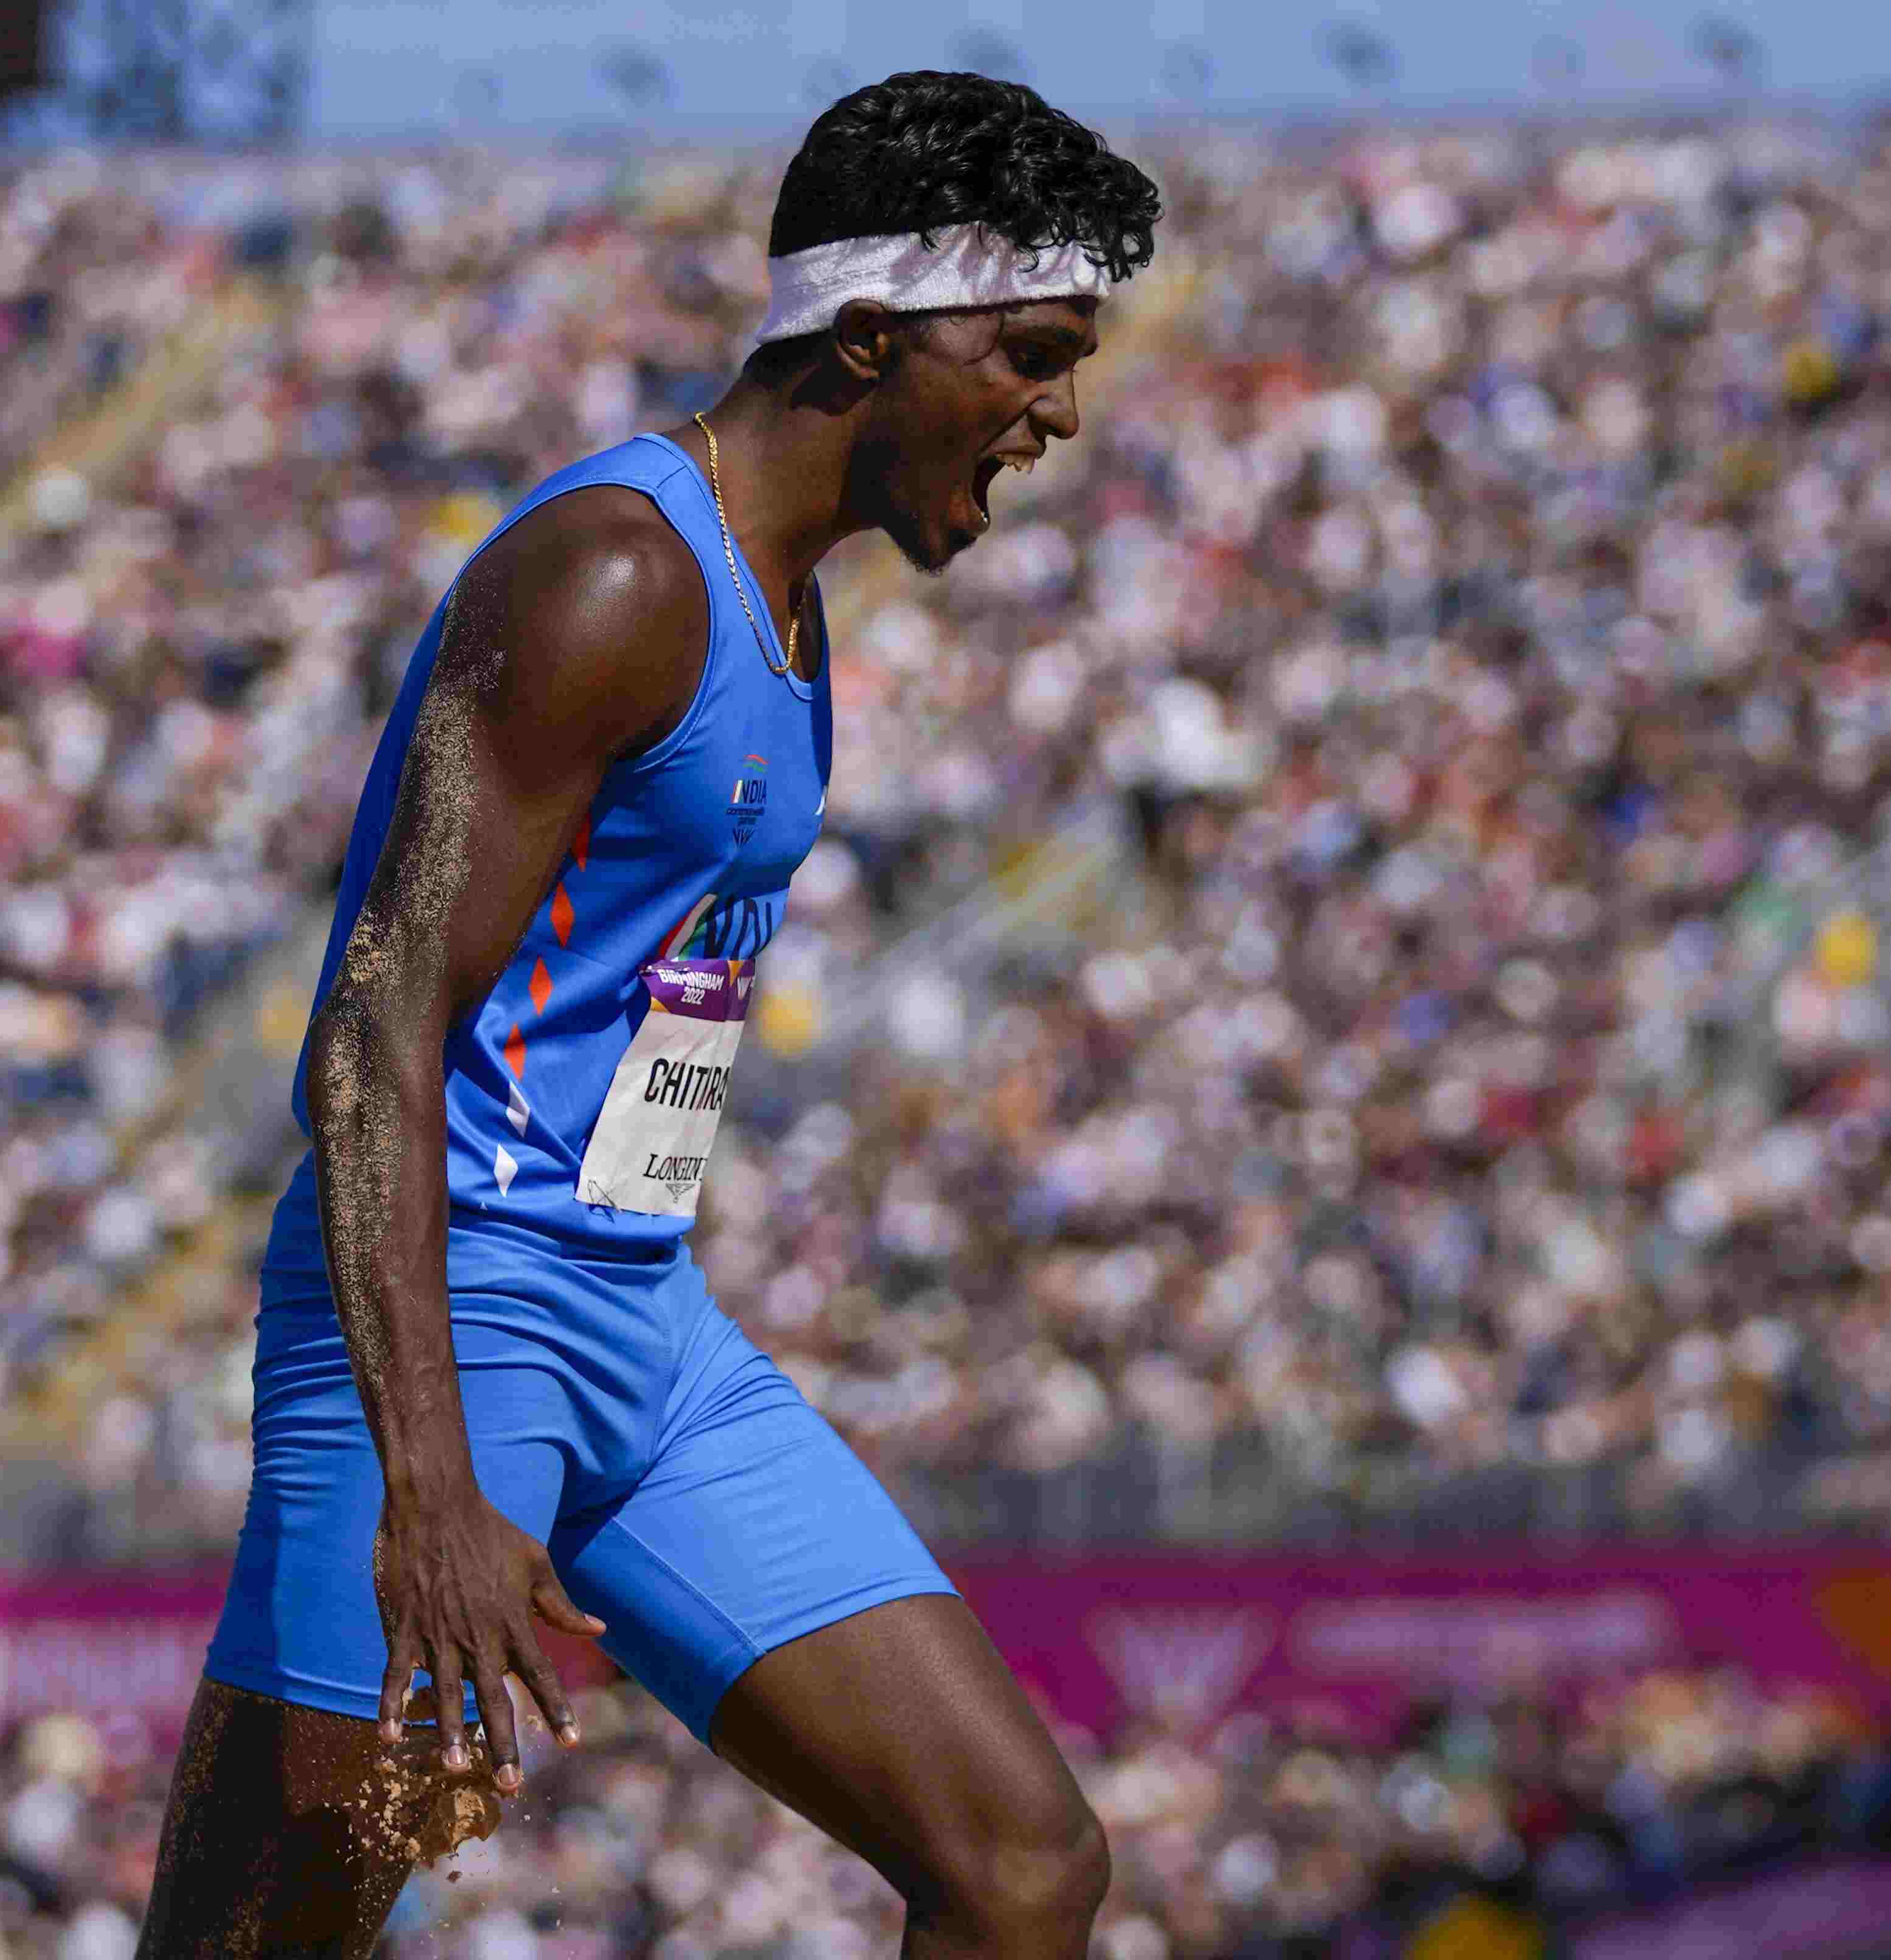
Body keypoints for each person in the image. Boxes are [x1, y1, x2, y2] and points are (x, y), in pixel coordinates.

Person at [135, 72, 1161, 1958]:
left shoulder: (789, 598)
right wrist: (431, 1482)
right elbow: (369, 1036)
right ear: (870, 340)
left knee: (1025, 1871)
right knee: (266, 1939)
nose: (1059, 412)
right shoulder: (616, 572)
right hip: (462, 1321)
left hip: (644, 1320)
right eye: (1027, 352)